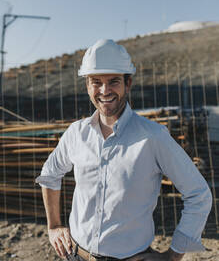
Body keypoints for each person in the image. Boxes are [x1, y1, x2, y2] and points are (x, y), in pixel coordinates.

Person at [36, 39, 212, 261]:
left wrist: (172, 256)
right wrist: (54, 226)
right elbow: (50, 174)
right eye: (96, 82)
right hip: (76, 255)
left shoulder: (153, 137)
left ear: (128, 84)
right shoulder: (76, 134)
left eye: (113, 81)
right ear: (87, 86)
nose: (104, 90)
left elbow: (199, 195)